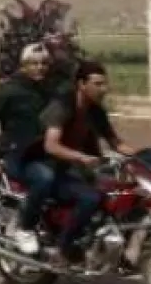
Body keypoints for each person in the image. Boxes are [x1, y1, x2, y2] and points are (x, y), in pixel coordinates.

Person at [39, 59, 138, 264]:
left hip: (78, 170)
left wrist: (143, 156)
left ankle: (115, 251)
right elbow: (51, 145)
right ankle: (62, 249)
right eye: (98, 84)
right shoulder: (63, 105)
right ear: (82, 85)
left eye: (105, 84)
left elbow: (116, 143)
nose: (104, 89)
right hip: (52, 170)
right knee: (90, 198)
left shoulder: (95, 111)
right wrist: (82, 157)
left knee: (131, 197)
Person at [0, 42, 55, 256]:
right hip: (15, 156)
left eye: (44, 63)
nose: (39, 68)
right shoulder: (9, 91)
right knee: (44, 178)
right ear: (24, 65)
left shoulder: (49, 90)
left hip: (44, 153)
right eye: (34, 63)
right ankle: (25, 229)